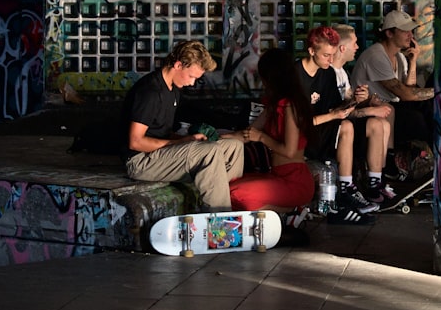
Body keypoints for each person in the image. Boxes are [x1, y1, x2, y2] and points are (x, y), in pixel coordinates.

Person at [122, 41, 245, 208]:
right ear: (178, 65)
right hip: (140, 161)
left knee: (234, 146)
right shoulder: (150, 92)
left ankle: (230, 204)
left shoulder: (172, 90)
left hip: (161, 153)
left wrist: (187, 138)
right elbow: (135, 142)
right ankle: (220, 224)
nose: (192, 83)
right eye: (192, 76)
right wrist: (180, 143)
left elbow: (161, 131)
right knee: (210, 151)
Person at [227, 48, 315, 233]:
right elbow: (249, 132)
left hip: (295, 180)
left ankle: (290, 211)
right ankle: (284, 215)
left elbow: (289, 150)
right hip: (276, 175)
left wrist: (261, 138)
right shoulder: (274, 104)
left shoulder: (291, 105)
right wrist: (220, 137)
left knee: (235, 194)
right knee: (228, 188)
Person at [296, 26, 377, 224]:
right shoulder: (295, 75)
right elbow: (295, 122)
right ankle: (337, 197)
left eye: (332, 55)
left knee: (348, 126)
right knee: (344, 125)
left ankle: (346, 186)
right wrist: (332, 116)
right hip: (299, 132)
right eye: (326, 55)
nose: (330, 61)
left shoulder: (328, 73)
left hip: (321, 129)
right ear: (311, 51)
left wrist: (356, 101)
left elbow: (336, 108)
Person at [331, 24, 397, 205]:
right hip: (333, 127)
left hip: (346, 122)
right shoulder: (329, 72)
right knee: (376, 123)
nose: (358, 47)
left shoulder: (342, 73)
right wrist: (368, 109)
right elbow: (338, 111)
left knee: (382, 122)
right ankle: (361, 186)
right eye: (355, 43)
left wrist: (365, 99)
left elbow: (348, 103)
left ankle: (377, 180)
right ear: (343, 48)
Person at [352, 9, 435, 149]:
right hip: (372, 108)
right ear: (389, 33)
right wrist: (439, 91)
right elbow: (406, 94)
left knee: (428, 108)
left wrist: (413, 62)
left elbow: (410, 90)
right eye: (405, 31)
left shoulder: (400, 57)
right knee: (416, 119)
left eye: (411, 31)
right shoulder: (376, 55)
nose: (410, 35)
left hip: (392, 106)